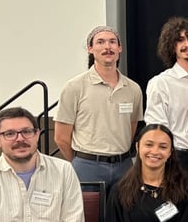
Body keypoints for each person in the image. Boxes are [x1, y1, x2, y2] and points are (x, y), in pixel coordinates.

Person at [55, 25, 143, 188]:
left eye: (112, 42)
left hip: (123, 166)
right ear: (90, 49)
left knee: (123, 213)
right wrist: (80, 162)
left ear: (119, 48)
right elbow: (61, 137)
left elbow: (131, 128)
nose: (107, 47)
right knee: (88, 213)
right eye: (100, 42)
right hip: (87, 166)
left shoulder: (133, 89)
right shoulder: (74, 87)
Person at [145, 17, 188, 184]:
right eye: (180, 40)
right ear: (172, 46)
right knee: (174, 210)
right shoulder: (161, 83)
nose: (187, 45)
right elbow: (156, 127)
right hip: (174, 159)